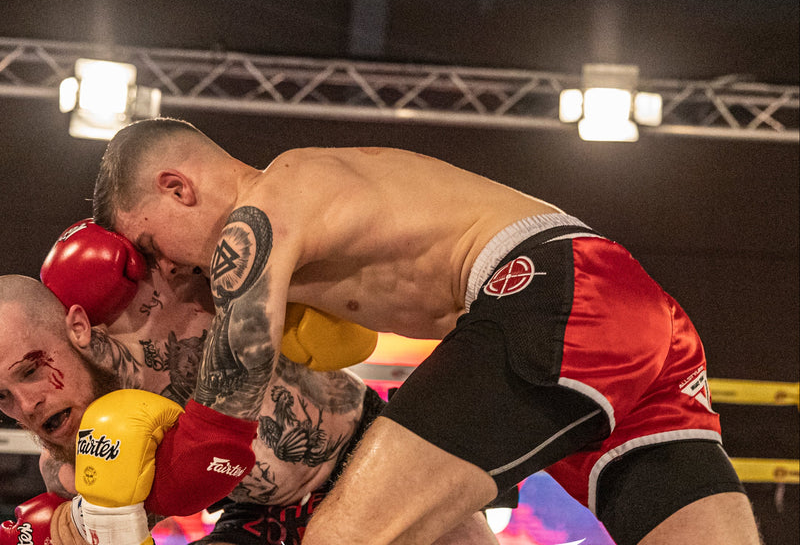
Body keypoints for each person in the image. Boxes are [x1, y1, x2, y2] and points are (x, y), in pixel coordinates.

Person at [91, 116, 761, 545]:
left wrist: (127, 505)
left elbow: (230, 398)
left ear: (177, 187)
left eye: (150, 246)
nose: (165, 269)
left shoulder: (260, 214)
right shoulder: (310, 205)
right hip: (622, 309)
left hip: (551, 294)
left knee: (343, 539)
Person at [0, 223, 499, 544]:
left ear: (77, 326)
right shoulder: (70, 467)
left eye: (30, 369)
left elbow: (254, 223)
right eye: (1, 397)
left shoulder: (160, 292)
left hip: (372, 453)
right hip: (261, 518)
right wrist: (70, 529)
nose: (26, 405)